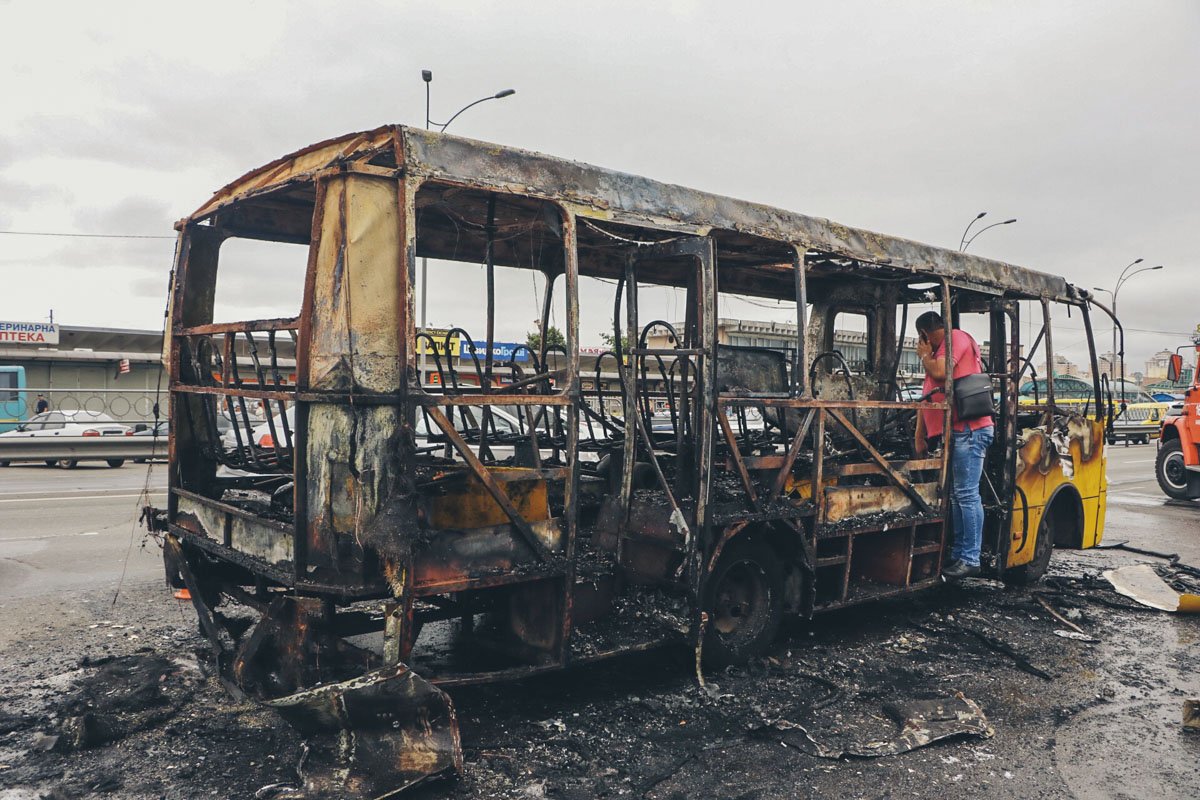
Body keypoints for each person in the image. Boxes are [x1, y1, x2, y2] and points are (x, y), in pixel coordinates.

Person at [913, 311, 993, 579]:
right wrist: (920, 435)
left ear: (925, 334)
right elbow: (927, 396)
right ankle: (960, 553)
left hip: (970, 430)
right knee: (959, 495)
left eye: (923, 339)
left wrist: (925, 355)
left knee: (967, 494)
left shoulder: (955, 338)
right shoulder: (937, 353)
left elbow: (941, 372)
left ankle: (970, 557)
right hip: (957, 432)